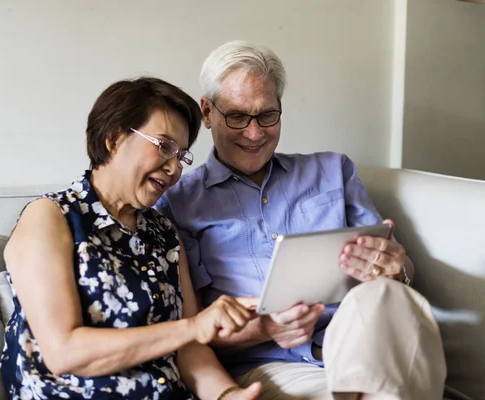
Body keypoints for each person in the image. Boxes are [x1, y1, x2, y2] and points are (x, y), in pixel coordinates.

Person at [155, 41, 447, 400]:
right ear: (206, 111)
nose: (254, 133)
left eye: (266, 115)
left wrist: (397, 268)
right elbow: (192, 332)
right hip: (271, 365)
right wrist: (265, 327)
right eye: (237, 116)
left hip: (363, 341)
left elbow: (397, 278)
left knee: (387, 292)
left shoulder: (332, 171)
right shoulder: (177, 204)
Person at [0, 77, 264, 399]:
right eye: (164, 146)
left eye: (181, 156)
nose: (174, 168)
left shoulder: (163, 232)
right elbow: (63, 352)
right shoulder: (51, 216)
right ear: (114, 139)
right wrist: (193, 327)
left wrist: (228, 395)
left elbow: (190, 350)